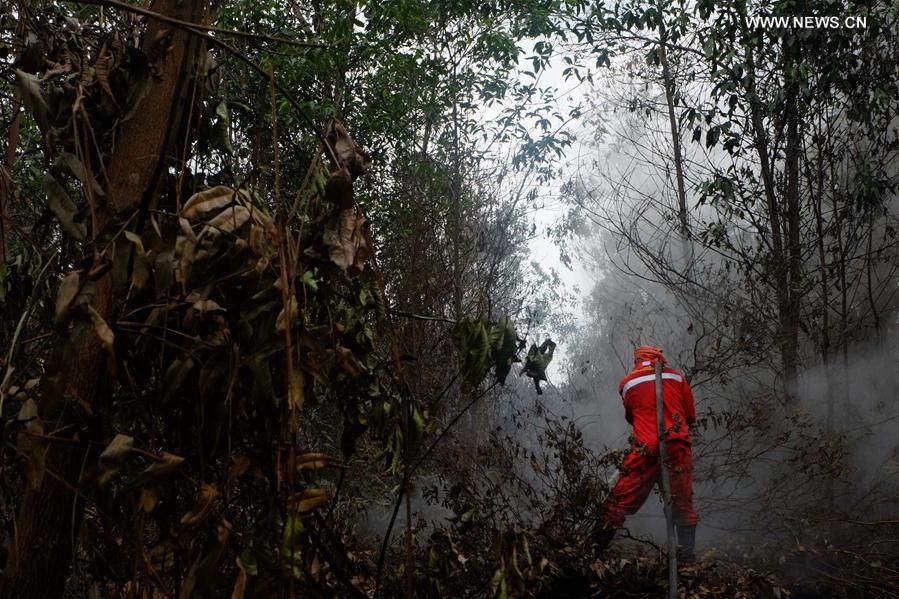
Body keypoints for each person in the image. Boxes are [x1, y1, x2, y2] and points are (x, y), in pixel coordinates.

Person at [590, 345, 699, 562]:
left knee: (617, 503)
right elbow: (689, 416)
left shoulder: (627, 383)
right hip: (677, 446)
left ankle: (589, 555)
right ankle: (687, 564)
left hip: (644, 448)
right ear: (660, 357)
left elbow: (631, 417)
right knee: (682, 504)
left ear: (637, 360)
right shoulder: (677, 377)